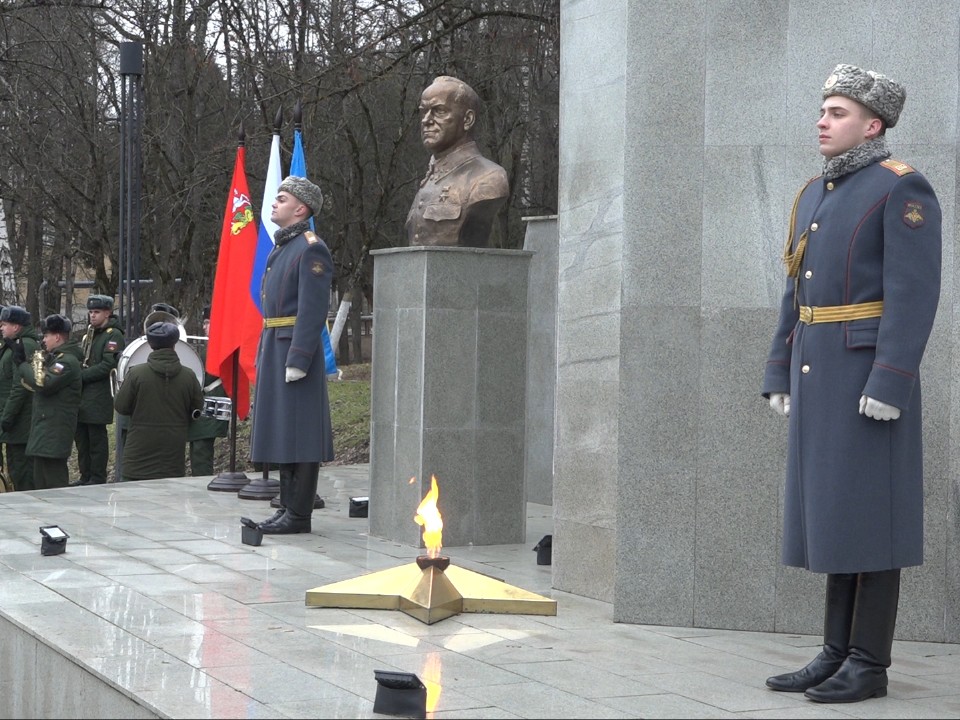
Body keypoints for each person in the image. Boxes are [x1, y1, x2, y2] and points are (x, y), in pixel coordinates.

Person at [761, 64, 942, 704]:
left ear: (873, 124)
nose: (822, 120)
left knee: (871, 518)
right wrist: (779, 369)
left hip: (866, 375)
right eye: (822, 109)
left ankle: (868, 662)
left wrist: (891, 379)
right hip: (819, 371)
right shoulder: (815, 192)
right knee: (833, 515)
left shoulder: (901, 189)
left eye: (836, 112)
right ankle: (835, 652)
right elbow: (795, 290)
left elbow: (913, 296)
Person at [250, 175, 334, 534]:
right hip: (274, 345)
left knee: (300, 433)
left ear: (301, 208)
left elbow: (314, 310)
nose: (273, 203)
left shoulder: (310, 248)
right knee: (284, 430)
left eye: (281, 199)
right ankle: (287, 507)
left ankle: (299, 514)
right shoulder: (283, 247)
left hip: (293, 350)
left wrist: (299, 358)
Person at [405, 75, 509, 248]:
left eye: (439, 111)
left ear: (467, 120)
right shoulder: (428, 181)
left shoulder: (489, 178)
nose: (426, 120)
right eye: (424, 111)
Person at [113, 321, 202, 482]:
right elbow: (197, 409)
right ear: (175, 344)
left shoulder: (136, 374)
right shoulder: (189, 376)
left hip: (137, 457)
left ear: (151, 345)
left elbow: (121, 407)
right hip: (172, 457)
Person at [13, 314, 83, 490]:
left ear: (57, 337)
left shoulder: (66, 361)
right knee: (41, 483)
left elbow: (42, 383)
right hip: (46, 429)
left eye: (46, 336)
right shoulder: (57, 358)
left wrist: (22, 365)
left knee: (53, 484)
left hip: (54, 430)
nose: (43, 340)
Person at [74, 294, 125, 485]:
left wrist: (79, 376)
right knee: (82, 439)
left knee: (96, 439)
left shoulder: (113, 334)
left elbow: (107, 365)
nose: (92, 316)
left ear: (108, 313)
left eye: (97, 312)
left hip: (99, 393)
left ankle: (97, 477)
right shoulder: (91, 332)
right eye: (90, 312)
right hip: (84, 394)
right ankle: (85, 475)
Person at [0, 306, 39, 490]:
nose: (1, 327)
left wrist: (7, 417)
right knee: (16, 469)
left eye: (5, 324)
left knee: (23, 472)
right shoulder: (12, 344)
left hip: (20, 420)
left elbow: (21, 386)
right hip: (14, 420)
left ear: (16, 327)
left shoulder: (25, 345)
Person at [187, 306, 228, 476]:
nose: (204, 327)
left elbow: (203, 375)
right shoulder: (212, 345)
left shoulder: (219, 346)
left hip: (211, 405)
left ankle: (202, 486)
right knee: (198, 448)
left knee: (201, 452)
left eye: (208, 322)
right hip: (209, 404)